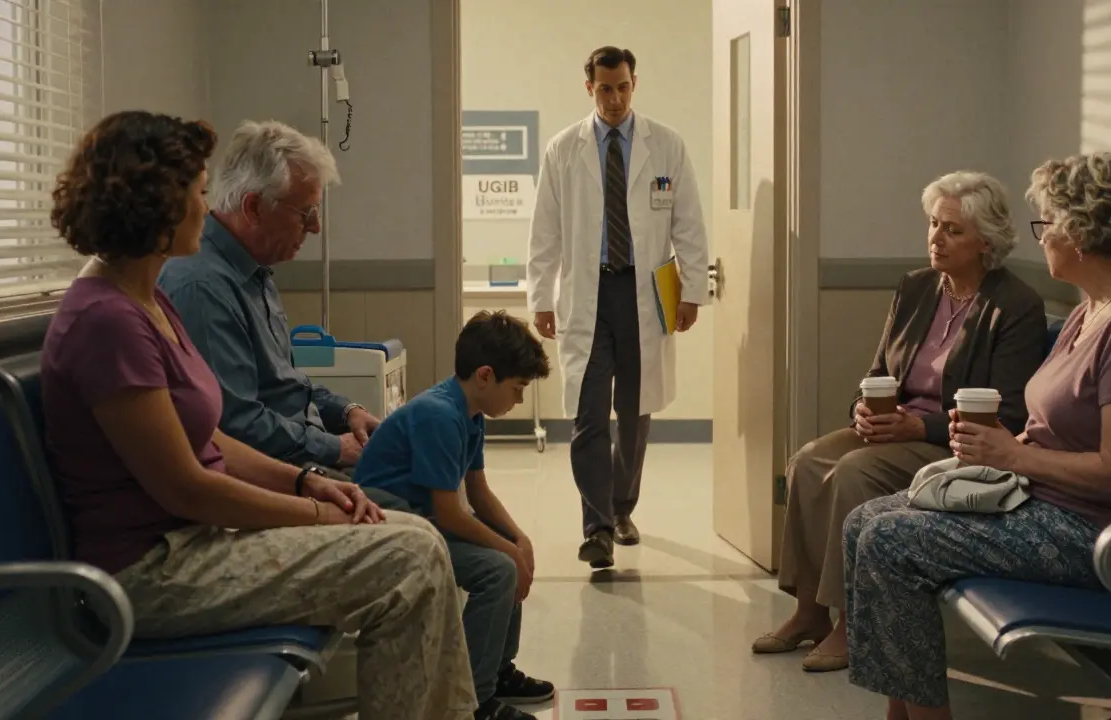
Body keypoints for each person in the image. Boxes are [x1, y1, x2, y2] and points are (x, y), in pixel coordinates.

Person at [41, 110, 478, 720]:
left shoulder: (149, 300)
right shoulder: (108, 322)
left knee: (418, 535)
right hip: (153, 572)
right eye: (197, 193)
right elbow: (187, 487)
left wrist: (306, 480)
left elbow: (210, 435)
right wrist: (317, 515)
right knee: (410, 561)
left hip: (191, 543)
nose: (205, 205)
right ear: (158, 206)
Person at [843, 152, 1111, 720]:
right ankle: (901, 713)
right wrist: (997, 452)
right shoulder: (1092, 312)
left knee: (892, 542)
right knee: (864, 521)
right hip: (1044, 508)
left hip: (1097, 536)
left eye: (1048, 224)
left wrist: (1013, 455)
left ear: (1082, 231)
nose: (1043, 239)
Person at [752, 171, 1049, 671]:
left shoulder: (1014, 305)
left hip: (952, 444)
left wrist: (920, 428)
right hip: (894, 429)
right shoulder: (916, 288)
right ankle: (809, 613)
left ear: (986, 241)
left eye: (952, 229)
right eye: (934, 224)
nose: (936, 238)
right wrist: (862, 412)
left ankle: (853, 623)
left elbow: (1012, 414)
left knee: (853, 472)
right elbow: (877, 373)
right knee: (805, 461)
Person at [526, 46, 710, 569]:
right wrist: (541, 297)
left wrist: (692, 290)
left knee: (634, 413)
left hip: (644, 293)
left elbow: (689, 225)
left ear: (635, 84)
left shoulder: (666, 146)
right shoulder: (564, 149)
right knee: (589, 417)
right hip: (587, 295)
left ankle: (622, 507)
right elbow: (545, 232)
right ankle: (598, 527)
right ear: (590, 87)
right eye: (605, 88)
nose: (614, 98)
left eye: (623, 87)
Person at [158, 120, 386, 486]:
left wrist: (346, 412)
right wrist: (334, 448)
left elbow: (286, 387)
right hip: (276, 472)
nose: (316, 227)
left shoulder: (254, 272)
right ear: (254, 208)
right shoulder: (202, 286)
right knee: (421, 518)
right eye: (305, 213)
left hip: (304, 458)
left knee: (429, 482)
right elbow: (235, 424)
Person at [353, 310, 554, 720]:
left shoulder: (470, 415)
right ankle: (476, 701)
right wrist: (507, 552)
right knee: (498, 571)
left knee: (507, 559)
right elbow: (448, 511)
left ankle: (497, 671)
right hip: (388, 525)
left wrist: (519, 539)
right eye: (516, 389)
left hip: (422, 518)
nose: (518, 401)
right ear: (484, 376)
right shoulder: (440, 414)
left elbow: (477, 492)